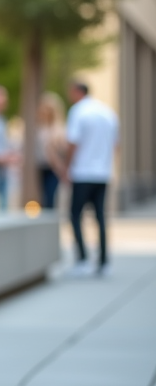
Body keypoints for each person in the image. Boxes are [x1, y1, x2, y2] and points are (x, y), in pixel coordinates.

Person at [62, 81, 119, 277]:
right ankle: (104, 262)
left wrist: (66, 167)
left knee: (75, 215)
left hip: (83, 172)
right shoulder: (108, 113)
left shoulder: (78, 111)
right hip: (103, 173)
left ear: (77, 92)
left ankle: (83, 260)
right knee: (100, 217)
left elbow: (72, 142)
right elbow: (116, 145)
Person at [36, 91, 68, 210]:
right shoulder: (38, 128)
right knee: (40, 198)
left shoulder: (59, 129)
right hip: (39, 166)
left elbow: (64, 150)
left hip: (53, 168)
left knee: (51, 196)